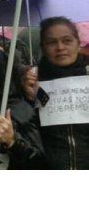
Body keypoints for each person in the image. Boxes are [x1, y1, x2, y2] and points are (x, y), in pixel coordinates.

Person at [21, 17, 89, 169]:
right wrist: (28, 100)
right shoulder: (31, 82)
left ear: (78, 43)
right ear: (43, 47)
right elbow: (27, 137)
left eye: (67, 40)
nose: (60, 47)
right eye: (52, 42)